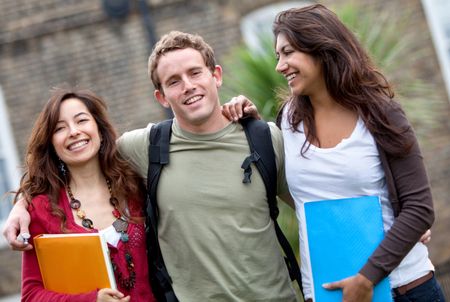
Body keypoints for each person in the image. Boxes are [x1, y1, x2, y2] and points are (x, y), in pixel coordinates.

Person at [4, 31, 299, 301]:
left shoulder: (263, 138)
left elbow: (313, 204)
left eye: (195, 73)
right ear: (161, 97)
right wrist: (23, 204)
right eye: (173, 81)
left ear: (216, 75)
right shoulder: (144, 148)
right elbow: (76, 160)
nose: (188, 86)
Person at [221, 4, 446, 302]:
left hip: (403, 288)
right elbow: (300, 190)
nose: (279, 65)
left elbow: (419, 208)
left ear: (321, 47)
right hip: (328, 295)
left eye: (288, 52)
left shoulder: (381, 113)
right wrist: (251, 123)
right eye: (278, 56)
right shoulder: (288, 120)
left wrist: (366, 279)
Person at [15, 87, 155, 301]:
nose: (73, 132)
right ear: (51, 144)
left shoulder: (136, 185)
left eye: (81, 120)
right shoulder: (42, 210)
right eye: (59, 128)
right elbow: (31, 295)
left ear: (98, 128)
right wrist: (91, 300)